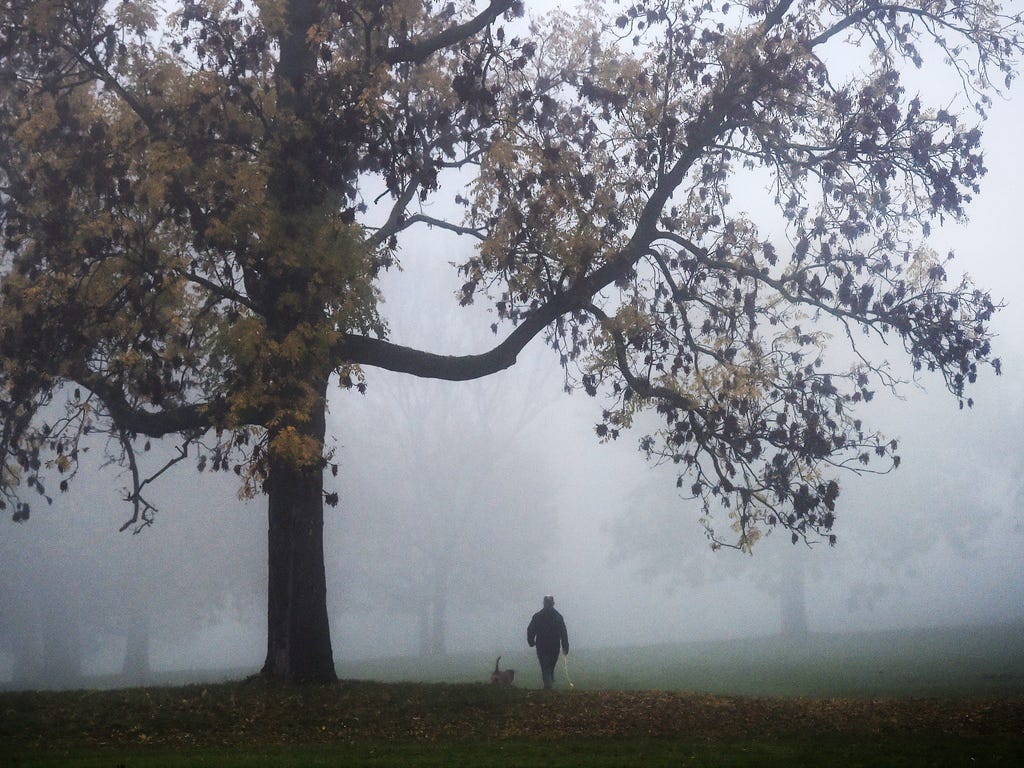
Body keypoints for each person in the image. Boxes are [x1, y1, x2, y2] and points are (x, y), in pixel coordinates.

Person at [526, 595, 569, 689]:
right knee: (549, 666)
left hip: (542, 646)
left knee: (546, 667)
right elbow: (563, 633)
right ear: (553, 604)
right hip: (554, 646)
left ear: (544, 603)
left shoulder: (537, 616)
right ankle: (549, 685)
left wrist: (531, 641)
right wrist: (565, 646)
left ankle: (548, 684)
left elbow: (531, 630)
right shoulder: (558, 616)